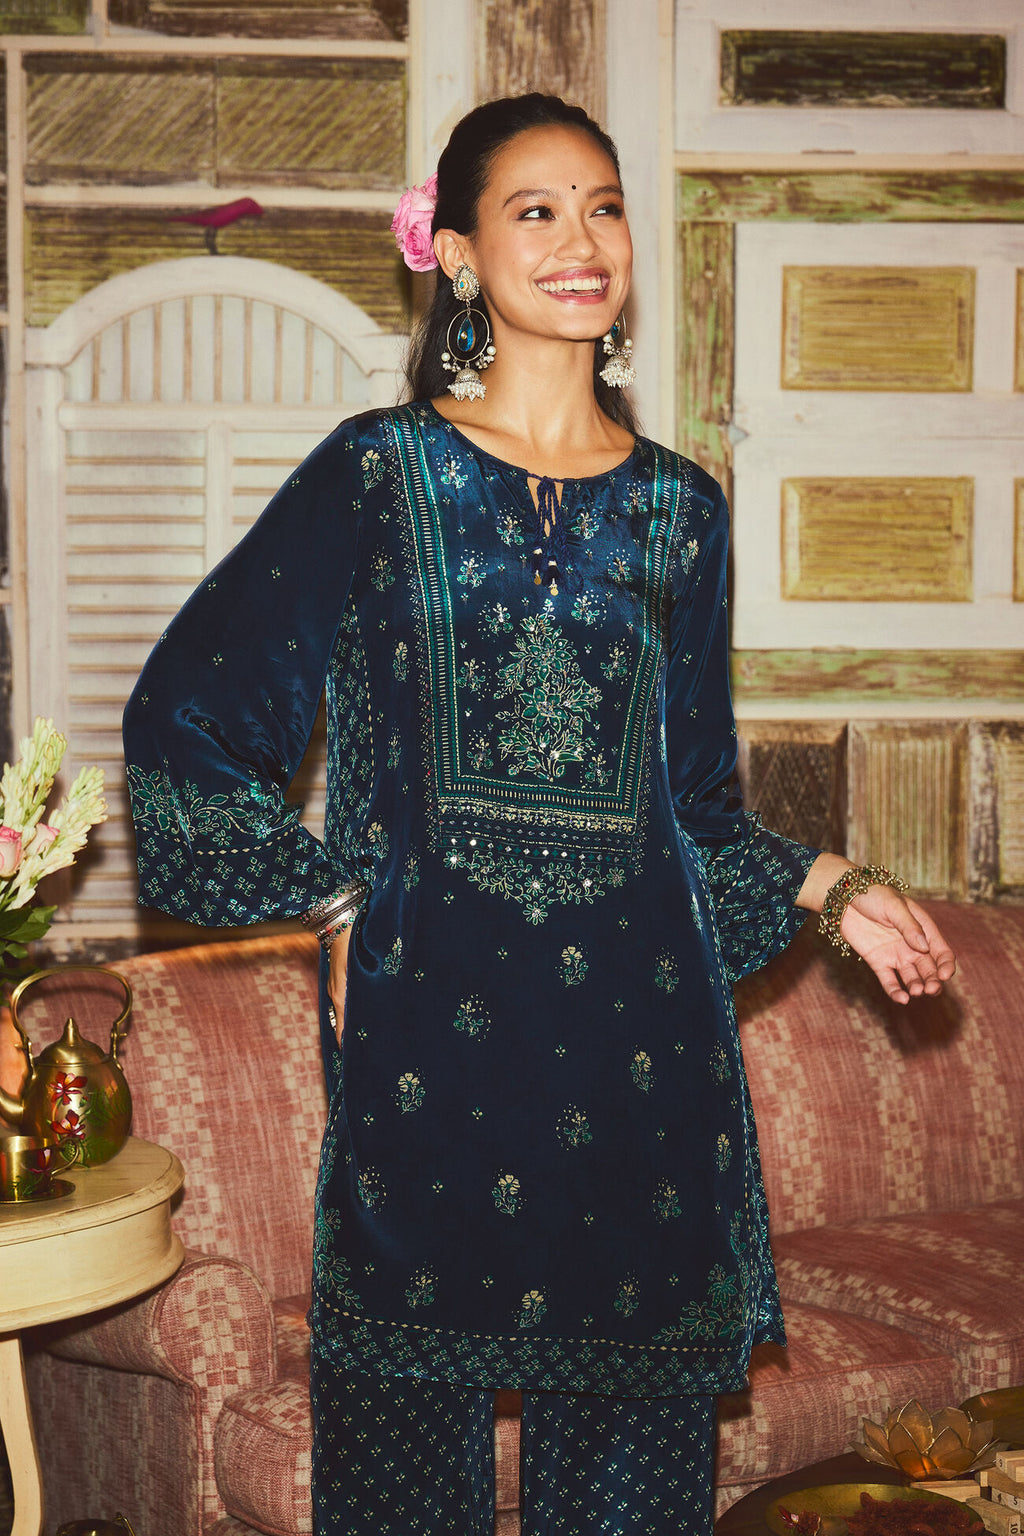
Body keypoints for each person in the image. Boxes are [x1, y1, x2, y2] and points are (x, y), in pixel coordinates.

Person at [120, 93, 956, 1536]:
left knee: (632, 1499)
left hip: (645, 1061)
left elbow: (689, 808)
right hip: (429, 1059)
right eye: (537, 210)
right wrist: (328, 899)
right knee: (402, 1486)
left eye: (607, 205)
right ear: (452, 252)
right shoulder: (377, 475)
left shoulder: (682, 512)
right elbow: (187, 723)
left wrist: (832, 885)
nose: (585, 240)